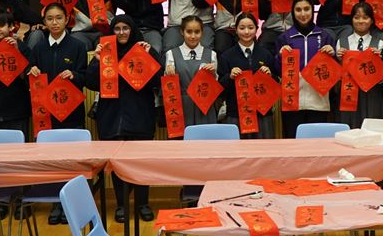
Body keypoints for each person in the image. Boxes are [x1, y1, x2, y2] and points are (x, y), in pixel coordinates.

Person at [85, 15, 161, 223]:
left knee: (141, 164)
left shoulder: (142, 49)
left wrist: (150, 55)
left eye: (125, 28)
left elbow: (158, 80)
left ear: (132, 30)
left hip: (140, 115)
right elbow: (90, 83)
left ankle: (143, 204)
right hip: (112, 117)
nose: (121, 33)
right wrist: (96, 61)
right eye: (117, 28)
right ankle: (121, 204)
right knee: (117, 165)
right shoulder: (105, 52)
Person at [164, 15, 219, 205]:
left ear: (202, 33)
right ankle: (188, 193)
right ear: (182, 32)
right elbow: (167, 86)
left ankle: (208, 193)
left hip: (205, 107)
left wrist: (213, 74)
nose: (193, 36)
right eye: (189, 32)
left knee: (206, 152)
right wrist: (168, 74)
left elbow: (216, 85)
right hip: (183, 108)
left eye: (197, 32)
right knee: (186, 154)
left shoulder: (211, 54)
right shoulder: (171, 54)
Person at [274, 0, 337, 137]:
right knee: (293, 141)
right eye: (298, 10)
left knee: (316, 141)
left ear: (312, 10)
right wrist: (280, 57)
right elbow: (278, 71)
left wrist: (332, 56)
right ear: (293, 12)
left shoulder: (325, 36)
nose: (303, 14)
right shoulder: (284, 38)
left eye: (306, 9)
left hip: (318, 99)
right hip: (292, 100)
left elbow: (334, 73)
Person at [27, 2, 89, 131]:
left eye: (59, 18)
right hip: (46, 113)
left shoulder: (78, 46)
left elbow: (85, 77)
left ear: (66, 20)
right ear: (44, 22)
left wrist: (73, 75)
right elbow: (29, 75)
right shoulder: (38, 48)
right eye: (50, 19)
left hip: (72, 112)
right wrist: (32, 70)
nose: (54, 23)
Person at [218, 12, 276, 138]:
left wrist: (270, 76)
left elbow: (276, 85)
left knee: (265, 149)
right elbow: (220, 89)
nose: (246, 32)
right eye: (242, 28)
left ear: (257, 29)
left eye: (250, 28)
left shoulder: (266, 54)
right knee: (237, 150)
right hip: (236, 114)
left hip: (262, 114)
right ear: (236, 30)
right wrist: (229, 77)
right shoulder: (227, 56)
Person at [333, 2, 383, 129]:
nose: (361, 21)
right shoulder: (342, 42)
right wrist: (339, 61)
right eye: (356, 17)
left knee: (372, 132)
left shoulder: (380, 43)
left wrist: (379, 63)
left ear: (372, 20)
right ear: (351, 20)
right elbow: (336, 77)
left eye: (365, 17)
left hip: (372, 95)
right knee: (348, 131)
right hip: (348, 95)